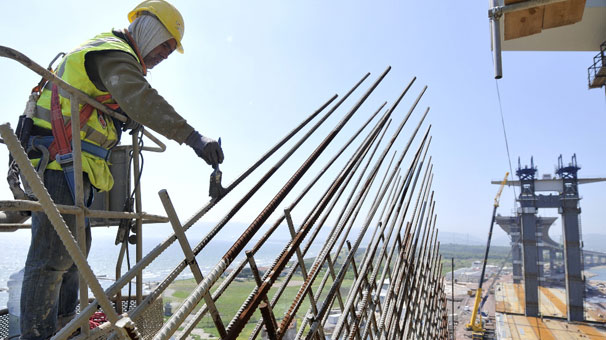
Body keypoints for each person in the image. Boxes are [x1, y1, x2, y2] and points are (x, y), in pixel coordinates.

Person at [18, 1, 224, 339]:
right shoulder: (112, 52)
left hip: (73, 169)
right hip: (55, 164)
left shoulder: (118, 60)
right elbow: (141, 98)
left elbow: (127, 101)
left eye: (170, 51)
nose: (164, 55)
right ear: (150, 30)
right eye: (164, 45)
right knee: (52, 261)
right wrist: (193, 137)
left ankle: (66, 328)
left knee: (72, 261)